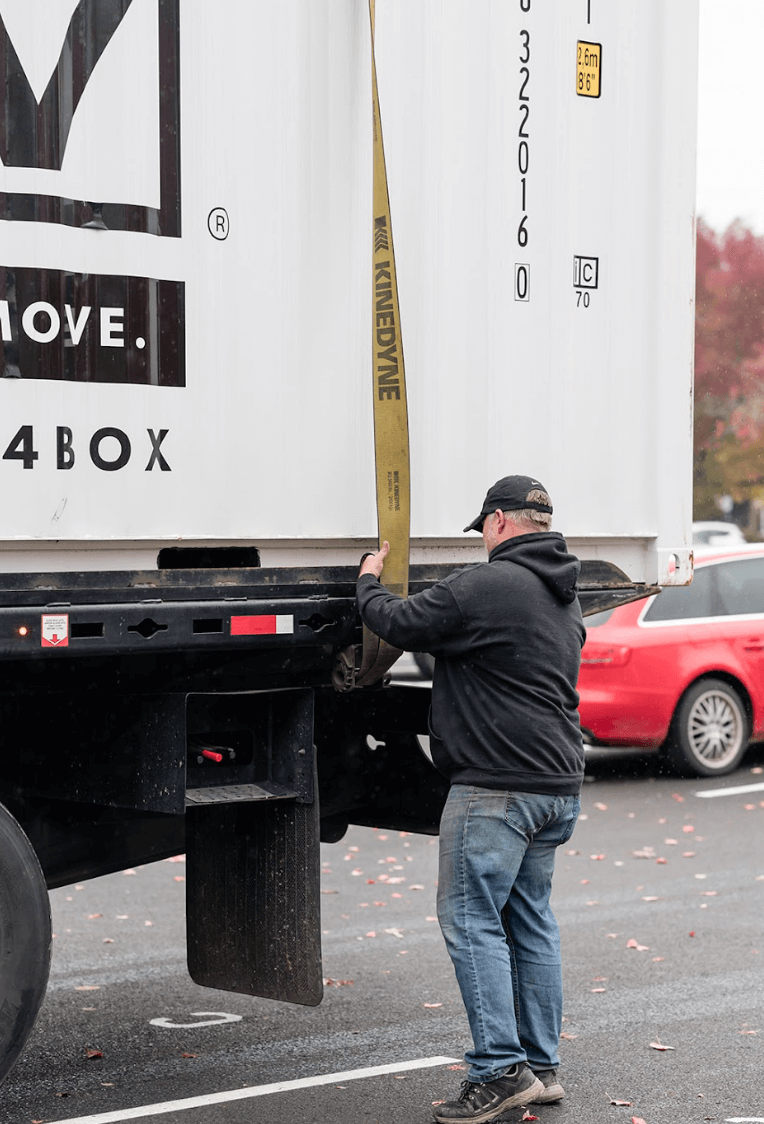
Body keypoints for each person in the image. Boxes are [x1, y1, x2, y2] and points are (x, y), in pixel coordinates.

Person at [356, 475, 585, 1123]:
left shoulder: (489, 584)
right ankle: (540, 1067)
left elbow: (399, 622)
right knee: (530, 920)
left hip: (495, 788)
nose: (483, 536)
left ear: (501, 522)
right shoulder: (560, 594)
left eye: (484, 525)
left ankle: (497, 1071)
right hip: (554, 784)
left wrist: (368, 578)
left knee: (471, 919)